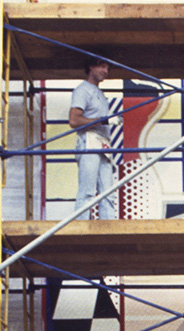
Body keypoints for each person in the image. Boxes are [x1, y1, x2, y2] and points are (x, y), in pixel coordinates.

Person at [69, 56, 116, 220]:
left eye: (107, 68)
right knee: (87, 191)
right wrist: (103, 121)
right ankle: (80, 231)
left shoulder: (99, 93)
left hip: (102, 143)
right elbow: (74, 120)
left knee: (108, 194)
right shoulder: (83, 90)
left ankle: (109, 232)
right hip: (89, 141)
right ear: (91, 67)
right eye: (102, 67)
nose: (106, 71)